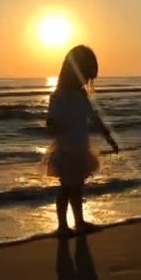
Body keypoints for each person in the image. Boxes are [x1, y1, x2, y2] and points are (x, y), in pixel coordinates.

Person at [45, 45, 119, 236]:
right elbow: (51, 118)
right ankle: (62, 225)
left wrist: (108, 136)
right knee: (66, 189)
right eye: (86, 76)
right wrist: (52, 124)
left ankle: (79, 221)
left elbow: (93, 117)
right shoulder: (59, 95)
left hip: (80, 148)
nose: (86, 81)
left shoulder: (81, 95)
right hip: (66, 150)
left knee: (77, 188)